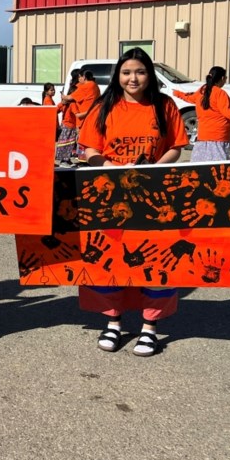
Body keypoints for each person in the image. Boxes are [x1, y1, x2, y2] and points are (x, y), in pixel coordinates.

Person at [77, 48, 189, 357]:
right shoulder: (104, 106)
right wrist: (110, 167)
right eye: (126, 72)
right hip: (111, 194)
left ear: (150, 74)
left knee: (155, 261)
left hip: (154, 195)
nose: (133, 78)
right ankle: (112, 322)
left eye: (139, 71)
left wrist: (153, 168)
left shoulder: (164, 106)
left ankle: (150, 328)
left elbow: (176, 147)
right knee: (109, 259)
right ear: (118, 76)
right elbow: (89, 150)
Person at [173, 66, 230, 162]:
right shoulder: (220, 94)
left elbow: (190, 98)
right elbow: (229, 114)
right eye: (226, 78)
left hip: (203, 138)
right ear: (222, 78)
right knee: (219, 170)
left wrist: (177, 93)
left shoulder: (202, 90)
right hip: (218, 139)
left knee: (200, 168)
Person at [55, 69, 81, 165]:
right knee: (67, 142)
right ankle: (64, 160)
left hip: (68, 123)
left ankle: (66, 159)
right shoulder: (73, 102)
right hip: (69, 124)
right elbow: (76, 114)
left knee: (67, 142)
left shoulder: (67, 101)